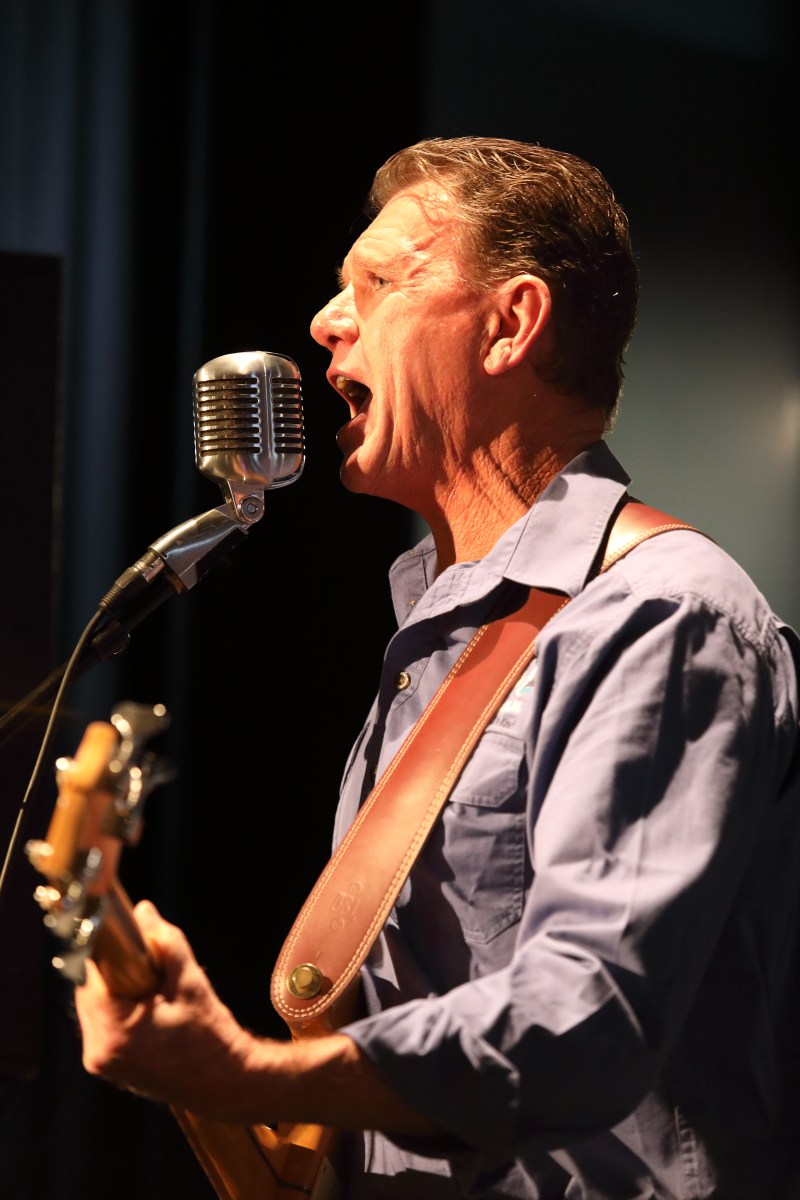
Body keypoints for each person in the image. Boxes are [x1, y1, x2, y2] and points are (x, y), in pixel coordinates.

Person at [74, 136, 800, 1199]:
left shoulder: (661, 616)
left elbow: (583, 1017)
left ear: (510, 324)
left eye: (375, 283)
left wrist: (249, 1076)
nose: (325, 321)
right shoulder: (443, 632)